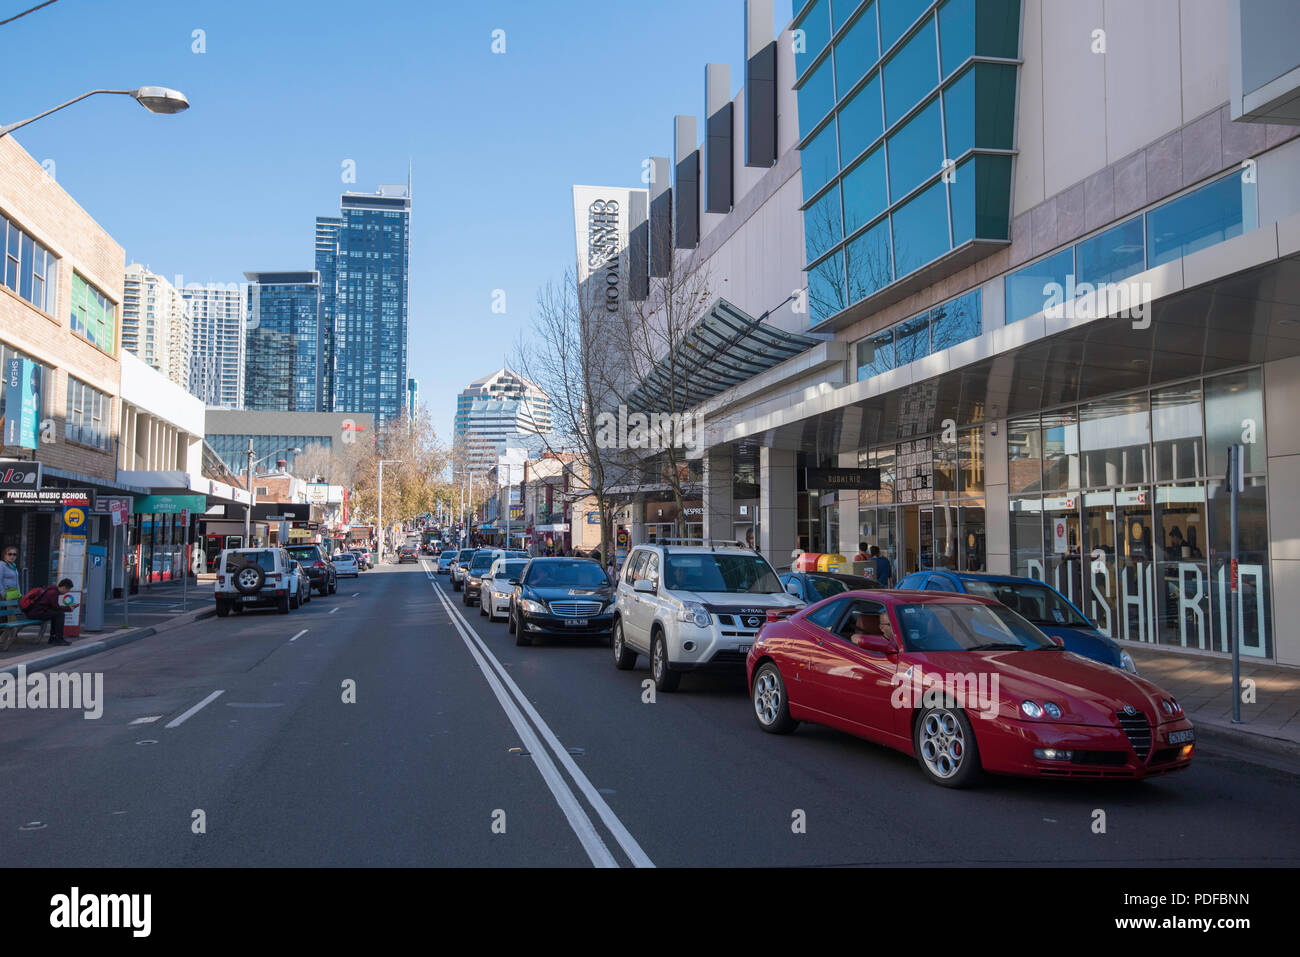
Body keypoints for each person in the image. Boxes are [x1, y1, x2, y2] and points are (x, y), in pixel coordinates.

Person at [22, 578, 78, 646]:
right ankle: (58, 639)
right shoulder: (53, 593)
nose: (67, 592)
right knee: (60, 614)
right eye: (68, 590)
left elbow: (53, 607)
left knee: (57, 614)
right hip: (35, 613)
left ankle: (53, 638)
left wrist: (68, 607)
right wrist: (69, 608)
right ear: (64, 587)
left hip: (35, 612)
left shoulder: (52, 590)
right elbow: (56, 607)